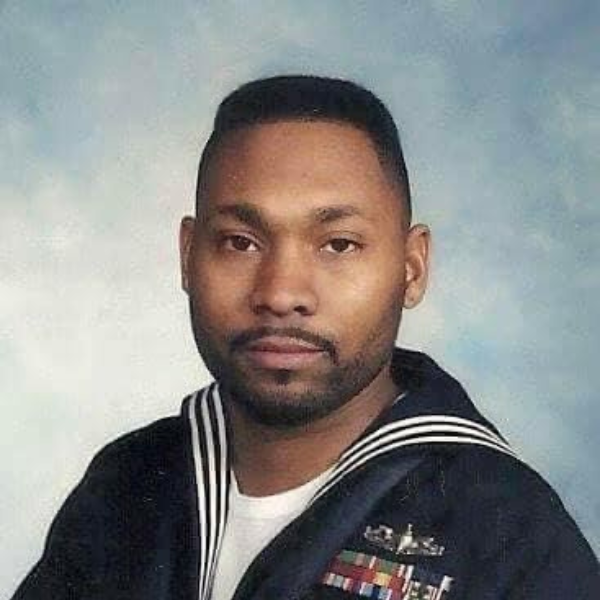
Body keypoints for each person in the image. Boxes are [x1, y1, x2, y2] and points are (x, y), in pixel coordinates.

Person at [12, 75, 599, 600]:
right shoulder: (128, 484)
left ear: (412, 269)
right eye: (240, 242)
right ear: (188, 257)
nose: (281, 292)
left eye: (338, 244)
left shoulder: (508, 533)